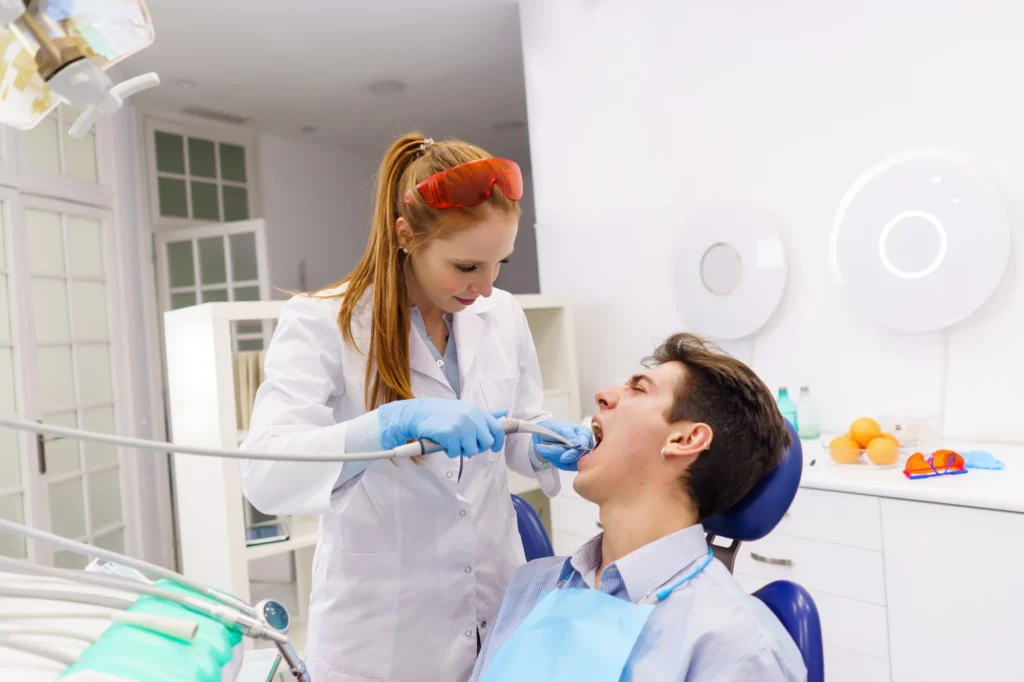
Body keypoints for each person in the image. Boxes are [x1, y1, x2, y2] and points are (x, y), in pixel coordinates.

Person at [239, 133, 593, 682]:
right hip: (383, 638)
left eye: (500, 262)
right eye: (467, 266)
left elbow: (515, 427)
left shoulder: (502, 314)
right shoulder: (322, 322)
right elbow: (265, 474)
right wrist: (389, 425)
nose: (487, 285)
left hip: (497, 610)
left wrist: (542, 442)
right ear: (407, 236)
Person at [471, 333, 807, 682]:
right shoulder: (531, 584)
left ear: (684, 440)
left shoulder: (736, 647)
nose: (603, 394)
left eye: (638, 388)